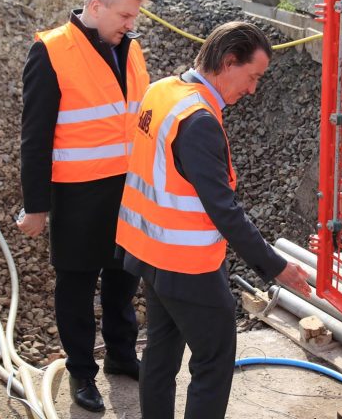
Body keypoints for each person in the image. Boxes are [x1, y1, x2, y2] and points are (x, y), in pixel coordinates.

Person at [116, 21, 312, 418]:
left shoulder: (162, 92)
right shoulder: (199, 121)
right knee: (213, 360)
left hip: (147, 252)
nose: (253, 89)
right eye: (252, 76)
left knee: (160, 352)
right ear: (228, 62)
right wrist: (275, 267)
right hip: (186, 265)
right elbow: (224, 210)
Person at [17, 0, 151, 413]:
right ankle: (81, 373)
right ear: (95, 6)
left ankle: (120, 355)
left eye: (134, 17)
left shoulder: (131, 50)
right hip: (77, 196)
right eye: (125, 15)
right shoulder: (52, 51)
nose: (130, 24)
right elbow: (35, 137)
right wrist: (35, 207)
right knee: (76, 287)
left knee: (122, 279)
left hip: (128, 190)